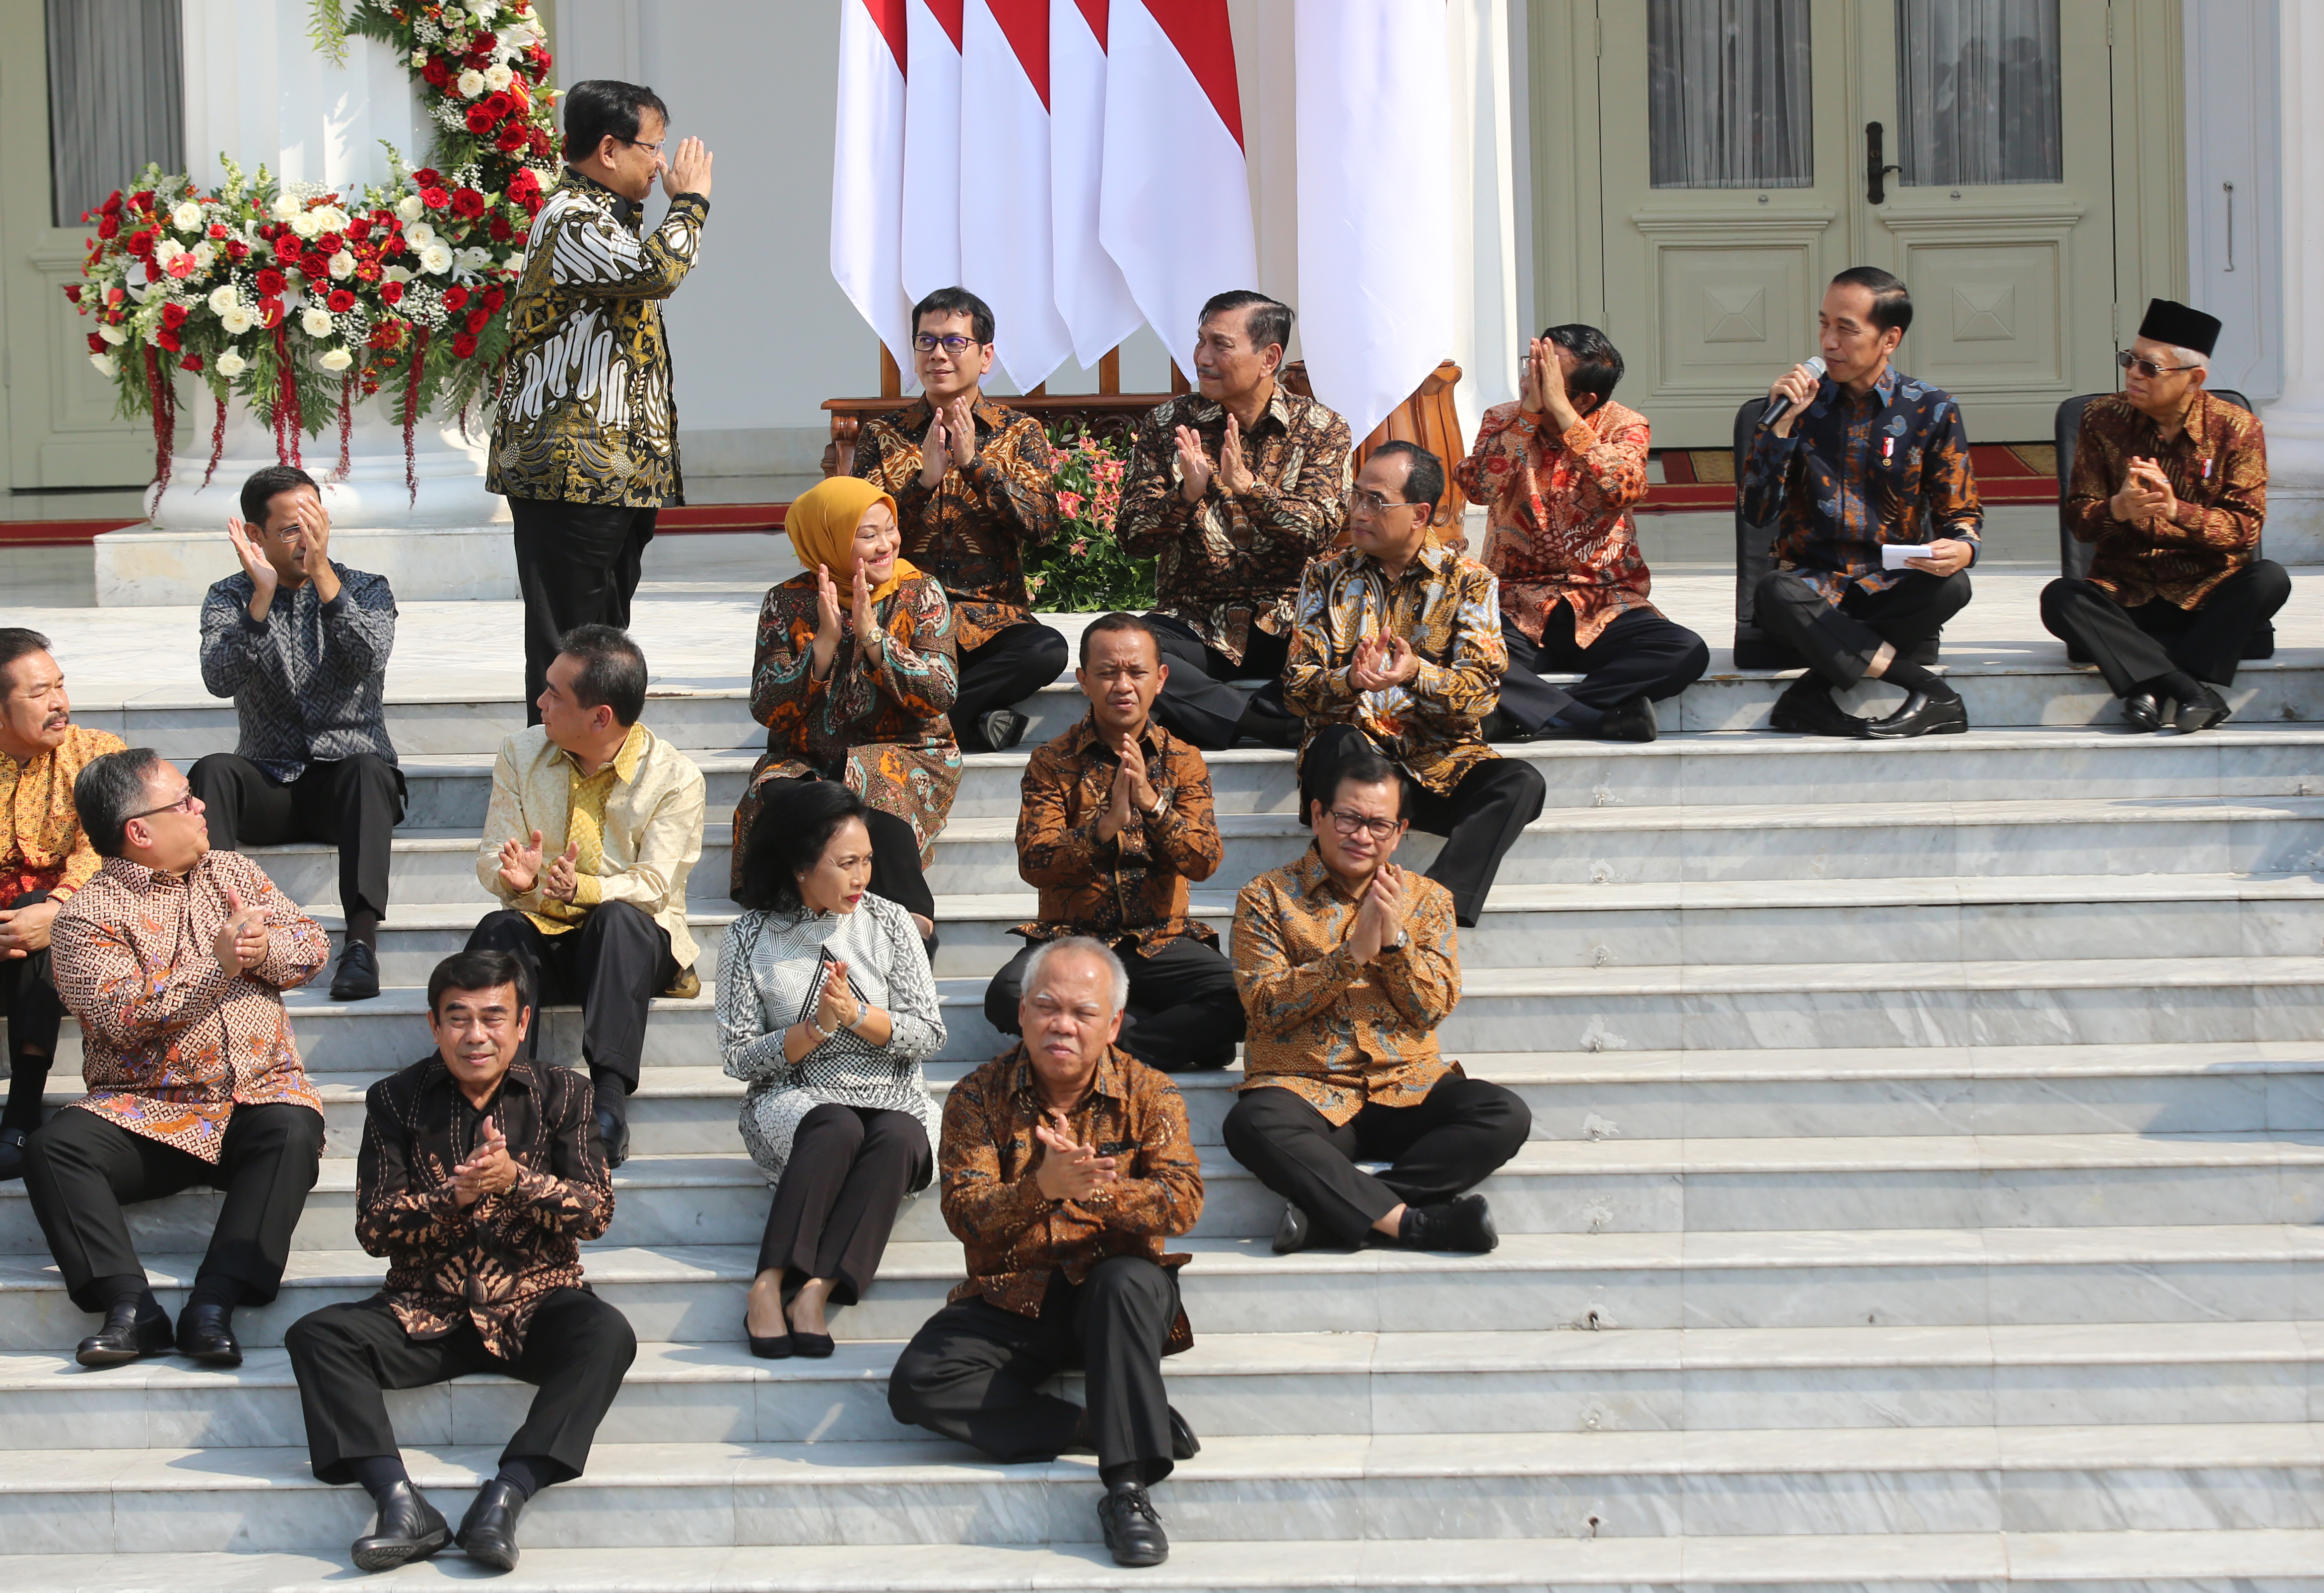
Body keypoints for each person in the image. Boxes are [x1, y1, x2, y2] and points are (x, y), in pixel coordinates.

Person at [283, 949, 629, 1576]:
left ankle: (506, 1495)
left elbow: (595, 1212)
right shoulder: (394, 1100)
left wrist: (517, 1180)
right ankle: (398, 1502)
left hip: (533, 1305)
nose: (476, 1035)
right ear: (434, 1024)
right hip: (425, 1311)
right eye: (459, 1018)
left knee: (607, 1333)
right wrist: (455, 1197)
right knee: (317, 1335)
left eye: (493, 1017)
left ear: (522, 1023)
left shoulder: (565, 1093)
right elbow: (373, 1227)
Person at [888, 937, 1205, 1569]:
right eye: (1047, 1007)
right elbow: (964, 1213)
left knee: (1122, 1282)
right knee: (917, 1383)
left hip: (1117, 1296)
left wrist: (1092, 1191)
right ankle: (1097, 1421)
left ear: (1112, 1023)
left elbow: (1182, 1201)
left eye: (1083, 1012)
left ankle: (1126, 1489)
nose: (1063, 1024)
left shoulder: (1151, 1092)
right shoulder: (976, 1096)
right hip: (1016, 1293)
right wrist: (1040, 1189)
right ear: (1022, 1012)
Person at [22, 747, 328, 1369]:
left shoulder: (232, 871)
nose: (201, 805)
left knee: (293, 1129)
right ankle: (130, 1306)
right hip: (149, 1112)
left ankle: (214, 1302)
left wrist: (263, 948)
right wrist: (218, 966)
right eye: (185, 800)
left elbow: (312, 943)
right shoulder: (84, 917)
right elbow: (120, 1018)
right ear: (140, 831)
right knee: (54, 1147)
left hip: (255, 1096)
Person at [1224, 743, 1529, 1256]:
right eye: (1348, 818)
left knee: (1503, 1113)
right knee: (1252, 1123)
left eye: (1379, 824)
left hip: (1405, 1087)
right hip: (1307, 1090)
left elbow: (1432, 1007)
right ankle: (1416, 1224)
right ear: (1318, 814)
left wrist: (1393, 944)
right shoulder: (1266, 897)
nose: (1362, 836)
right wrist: (1350, 956)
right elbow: (1263, 1006)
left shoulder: (1428, 900)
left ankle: (1337, 1219)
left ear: (1400, 831)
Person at [488, 78, 716, 723]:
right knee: (568, 646)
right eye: (653, 147)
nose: (663, 164)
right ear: (609, 150)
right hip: (570, 472)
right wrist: (691, 204)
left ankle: (598, 762)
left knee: (603, 642)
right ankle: (553, 769)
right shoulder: (571, 218)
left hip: (613, 473)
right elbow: (657, 272)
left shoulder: (608, 218)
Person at [466, 626, 704, 1171]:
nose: (540, 701)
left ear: (600, 717)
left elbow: (655, 885)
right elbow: (491, 856)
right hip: (545, 935)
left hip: (628, 952)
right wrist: (516, 881)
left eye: (555, 694)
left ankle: (609, 1105)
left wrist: (585, 889)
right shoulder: (520, 753)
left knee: (618, 918)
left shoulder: (674, 777)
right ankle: (505, 1104)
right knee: (498, 931)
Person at [721, 780, 944, 1361]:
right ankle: (767, 1284)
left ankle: (816, 1292)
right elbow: (739, 1055)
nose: (861, 876)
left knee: (900, 1136)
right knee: (836, 1125)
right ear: (800, 866)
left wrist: (857, 1016)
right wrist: (814, 1028)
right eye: (846, 863)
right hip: (793, 1095)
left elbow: (929, 1032)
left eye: (866, 860)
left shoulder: (890, 921)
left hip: (894, 1092)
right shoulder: (748, 936)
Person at [1284, 441, 1545, 928]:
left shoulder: (1469, 582)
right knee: (1337, 742)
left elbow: (1482, 692)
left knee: (1521, 782)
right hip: (1353, 770)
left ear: (1420, 514)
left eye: (1376, 501)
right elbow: (1295, 689)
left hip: (1437, 765)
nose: (1359, 511)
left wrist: (1415, 673)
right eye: (1356, 496)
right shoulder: (1325, 578)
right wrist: (1349, 680)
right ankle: (1340, 896)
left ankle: (1431, 910)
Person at [984, 613, 1243, 1073]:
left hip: (1162, 941)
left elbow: (1204, 861)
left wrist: (1154, 806)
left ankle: (1109, 1043)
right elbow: (1035, 863)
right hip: (1074, 941)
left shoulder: (1183, 760)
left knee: (1244, 995)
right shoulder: (1051, 761)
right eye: (1107, 673)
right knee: (1007, 996)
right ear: (1084, 680)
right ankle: (1171, 1039)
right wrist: (1103, 829)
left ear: (1160, 679)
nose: (1123, 685)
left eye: (1136, 672)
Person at [192, 464, 404, 1003]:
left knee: (368, 770)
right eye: (291, 529)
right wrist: (260, 602)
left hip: (346, 788)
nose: (307, 538)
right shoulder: (229, 596)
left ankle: (360, 944)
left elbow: (368, 656)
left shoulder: (366, 588)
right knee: (212, 770)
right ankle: (221, 933)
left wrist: (324, 577)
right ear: (255, 534)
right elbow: (219, 678)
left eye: (315, 523)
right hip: (270, 780)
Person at [1743, 267, 1983, 739]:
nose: (1828, 342)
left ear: (1889, 339)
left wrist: (1962, 548)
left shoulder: (1931, 408)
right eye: (1823, 325)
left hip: (1888, 586)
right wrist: (1781, 429)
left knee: (1954, 587)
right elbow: (1757, 512)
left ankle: (1809, 696)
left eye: (1846, 329)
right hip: (1812, 588)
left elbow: (1961, 514)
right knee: (1774, 593)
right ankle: (1928, 689)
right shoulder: (1795, 407)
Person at [1117, 290, 1353, 750]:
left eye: (1220, 345)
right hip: (1195, 620)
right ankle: (1263, 723)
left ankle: (1207, 718)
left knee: (1354, 648)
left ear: (1270, 358)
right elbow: (1133, 537)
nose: (1202, 357)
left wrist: (1250, 489)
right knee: (1124, 649)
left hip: (1292, 622)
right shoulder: (1169, 424)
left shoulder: (1323, 428)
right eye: (1201, 341)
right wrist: (1185, 496)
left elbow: (1318, 529)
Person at [732, 475, 957, 949]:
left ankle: (914, 930)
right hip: (806, 756)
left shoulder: (921, 592)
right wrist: (824, 645)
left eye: (890, 529)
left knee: (874, 788)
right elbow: (767, 707)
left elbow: (941, 693)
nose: (886, 545)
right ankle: (792, 919)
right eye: (868, 535)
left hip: (907, 751)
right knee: (780, 795)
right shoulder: (786, 601)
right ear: (828, 539)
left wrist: (876, 638)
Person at [1456, 326, 1708, 742]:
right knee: (1462, 648)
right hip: (1516, 603)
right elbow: (1479, 488)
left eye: (1546, 373)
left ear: (1585, 398)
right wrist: (1527, 417)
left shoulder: (1626, 425)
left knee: (1684, 651)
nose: (1528, 379)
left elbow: (1622, 489)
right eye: (1531, 364)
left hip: (1604, 602)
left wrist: (1567, 420)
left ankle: (1533, 713)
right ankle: (1590, 719)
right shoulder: (1502, 419)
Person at [2044, 297, 2283, 733]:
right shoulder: (2102, 419)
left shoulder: (2238, 428)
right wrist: (2118, 508)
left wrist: (2178, 511)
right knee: (2061, 598)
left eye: (2149, 367)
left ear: (2194, 379)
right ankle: (2189, 690)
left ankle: (2147, 687)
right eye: (2129, 360)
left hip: (2206, 595)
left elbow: (2243, 530)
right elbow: (2079, 519)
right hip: (2126, 594)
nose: (2134, 374)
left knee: (2269, 579)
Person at [850, 286, 1066, 752]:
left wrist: (975, 466)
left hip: (991, 623)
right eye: (926, 341)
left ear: (985, 356)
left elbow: (1044, 527)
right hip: (905, 619)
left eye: (954, 342)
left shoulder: (1018, 432)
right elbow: (856, 535)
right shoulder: (882, 435)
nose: (938, 354)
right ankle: (970, 724)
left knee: (1046, 651)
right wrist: (923, 482)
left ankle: (918, 725)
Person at [0, 629, 124, 1179]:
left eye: (60, 685)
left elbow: (104, 846)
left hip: (77, 935)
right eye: (39, 692)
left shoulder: (96, 753)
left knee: (40, 919)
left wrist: (57, 909)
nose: (59, 703)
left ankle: (22, 1111)